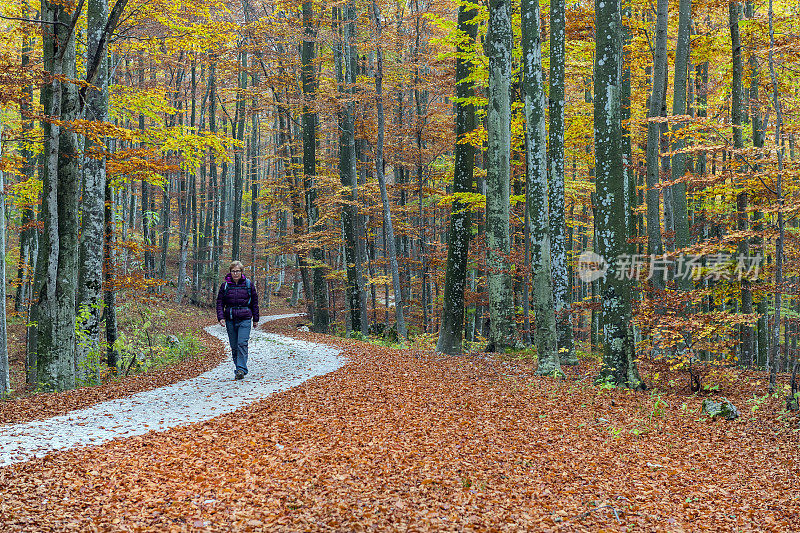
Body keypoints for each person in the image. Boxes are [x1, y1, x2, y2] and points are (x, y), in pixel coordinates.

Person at [216, 261, 259, 380]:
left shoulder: (248, 284)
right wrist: (221, 317)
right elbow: (220, 303)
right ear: (230, 272)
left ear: (241, 272)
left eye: (238, 271)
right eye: (233, 271)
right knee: (234, 346)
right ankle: (239, 368)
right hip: (230, 319)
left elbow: (255, 303)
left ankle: (241, 369)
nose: (235, 273)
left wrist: (256, 319)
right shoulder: (225, 286)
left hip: (245, 318)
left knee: (242, 343)